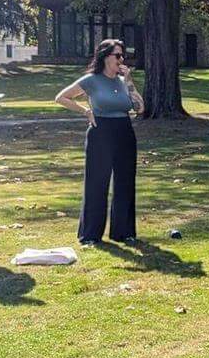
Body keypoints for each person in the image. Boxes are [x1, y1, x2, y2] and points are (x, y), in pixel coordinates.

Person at [53, 38, 143, 245]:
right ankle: (91, 235)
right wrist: (85, 111)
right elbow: (61, 97)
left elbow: (140, 108)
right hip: (100, 131)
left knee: (125, 182)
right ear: (105, 57)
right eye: (117, 56)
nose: (121, 60)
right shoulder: (91, 80)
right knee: (97, 182)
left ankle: (123, 232)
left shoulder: (123, 82)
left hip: (124, 131)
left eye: (123, 56)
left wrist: (129, 80)